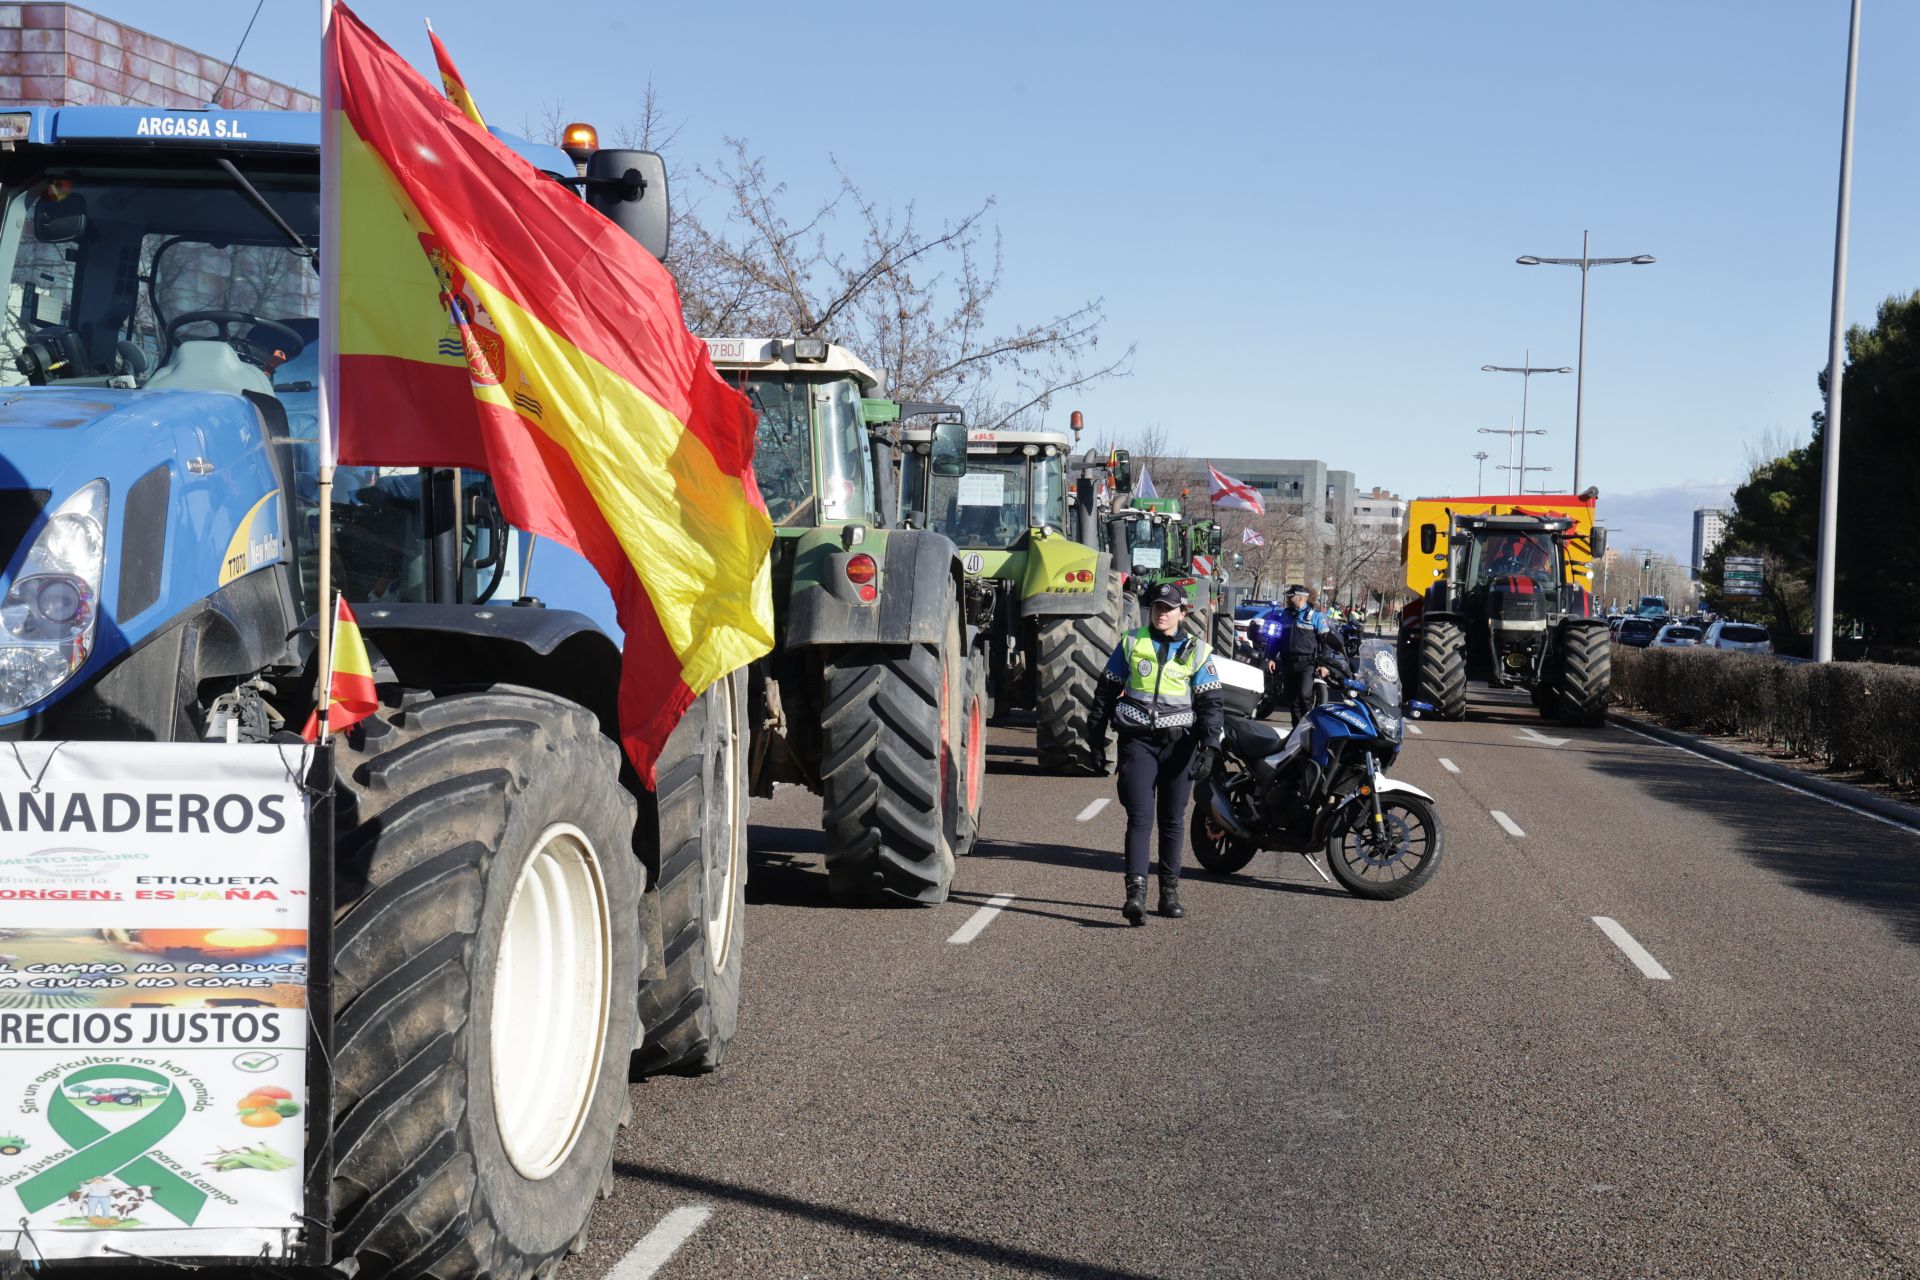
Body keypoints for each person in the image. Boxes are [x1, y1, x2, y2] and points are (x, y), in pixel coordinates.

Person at [1087, 582, 1225, 925]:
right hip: (1138, 742)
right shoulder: (1132, 642)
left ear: (1182, 613)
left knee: (1172, 820)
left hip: (1180, 746)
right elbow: (1106, 690)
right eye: (1157, 608)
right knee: (1140, 815)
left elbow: (1211, 705)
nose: (1162, 613)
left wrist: (1210, 747)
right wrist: (1094, 736)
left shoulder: (1198, 652)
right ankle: (1135, 894)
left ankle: (1169, 893)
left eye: (1169, 608)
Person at [1257, 584, 1333, 724]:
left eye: (1290, 596)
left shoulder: (1315, 617)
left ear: (1300, 598)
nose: (1288, 599)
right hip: (1288, 663)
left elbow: (1326, 643)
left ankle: (1309, 727)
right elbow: (1276, 639)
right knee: (1292, 699)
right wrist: (1271, 658)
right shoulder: (1285, 615)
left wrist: (1324, 665)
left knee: (1304, 696)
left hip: (1307, 664)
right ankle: (1296, 732)